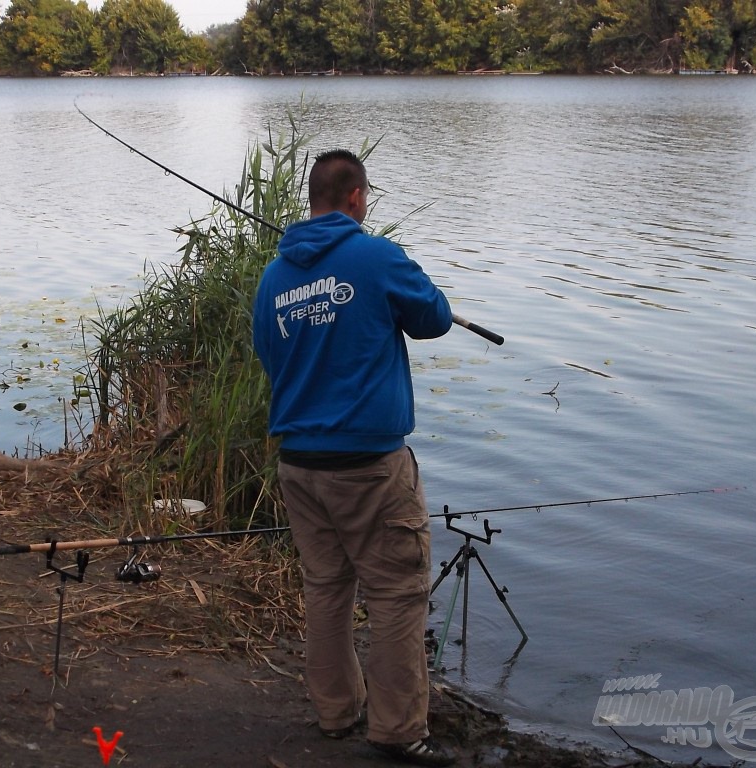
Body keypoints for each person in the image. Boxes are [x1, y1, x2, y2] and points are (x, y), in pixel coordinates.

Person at [252, 150, 457, 767]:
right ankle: (396, 731)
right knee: (397, 592)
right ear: (357, 198)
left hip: (300, 465)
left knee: (326, 587)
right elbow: (436, 319)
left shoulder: (273, 278)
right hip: (369, 465)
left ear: (311, 199)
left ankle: (336, 713)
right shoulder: (377, 256)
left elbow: (270, 356)